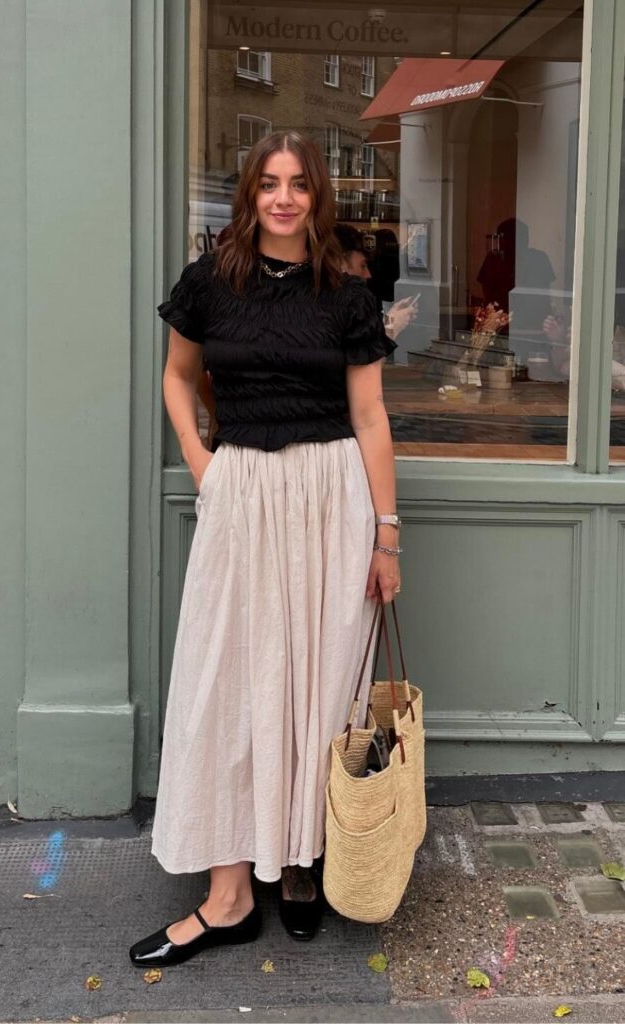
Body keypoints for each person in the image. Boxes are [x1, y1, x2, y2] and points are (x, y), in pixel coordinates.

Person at [129, 130, 401, 968]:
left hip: (330, 497)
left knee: (318, 685)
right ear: (247, 195)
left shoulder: (345, 294)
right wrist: (201, 459)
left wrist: (386, 532)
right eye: (267, 184)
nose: (283, 198)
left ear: (317, 198)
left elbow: (368, 417)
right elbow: (179, 375)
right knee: (228, 681)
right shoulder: (209, 282)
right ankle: (228, 892)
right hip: (243, 487)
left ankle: (299, 867)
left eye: (298, 186)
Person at [334, 223, 417, 341]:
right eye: (362, 266)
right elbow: (362, 356)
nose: (368, 274)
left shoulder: (329, 306)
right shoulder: (332, 312)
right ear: (340, 264)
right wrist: (390, 328)